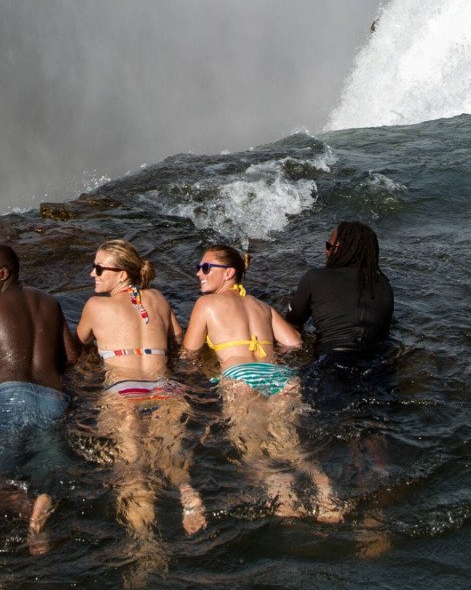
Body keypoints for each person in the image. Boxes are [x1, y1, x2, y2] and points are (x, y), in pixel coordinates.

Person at [181, 243, 340, 521]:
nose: (199, 273)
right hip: (281, 378)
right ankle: (324, 490)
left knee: (253, 450)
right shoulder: (263, 306)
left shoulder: (205, 304)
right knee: (289, 444)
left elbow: (189, 352)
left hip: (241, 377)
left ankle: (286, 501)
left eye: (205, 268)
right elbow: (294, 342)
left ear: (229, 273)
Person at [76, 238, 205, 566]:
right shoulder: (159, 298)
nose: (92, 274)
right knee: (171, 458)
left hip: (124, 392)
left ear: (121, 274)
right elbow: (177, 340)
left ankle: (145, 544)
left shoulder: (95, 306)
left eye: (99, 268)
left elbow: (76, 344)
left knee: (132, 469)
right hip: (165, 389)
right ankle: (187, 493)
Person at [0, 243, 80, 549]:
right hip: (54, 400)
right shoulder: (51, 303)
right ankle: (42, 522)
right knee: (50, 477)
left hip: (9, 400)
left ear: (3, 274)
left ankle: (28, 509)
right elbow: (72, 357)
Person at [279, 220, 396, 411]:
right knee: (373, 425)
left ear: (337, 248)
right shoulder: (384, 285)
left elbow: (292, 325)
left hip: (331, 365)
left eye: (328, 245)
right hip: (377, 364)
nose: (325, 252)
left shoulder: (315, 277)